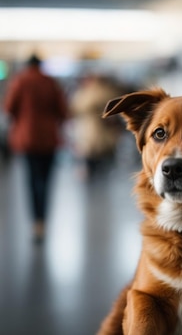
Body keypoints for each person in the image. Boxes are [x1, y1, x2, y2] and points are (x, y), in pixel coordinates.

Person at [3, 54, 68, 242]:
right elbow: (63, 111)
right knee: (46, 182)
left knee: (32, 182)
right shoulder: (50, 82)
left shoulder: (20, 81)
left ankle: (36, 223)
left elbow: (8, 108)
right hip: (49, 138)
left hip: (27, 139)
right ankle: (43, 222)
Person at [70, 73, 124, 179]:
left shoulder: (86, 93)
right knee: (99, 156)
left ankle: (94, 173)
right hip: (96, 130)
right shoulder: (107, 92)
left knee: (95, 155)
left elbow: (75, 107)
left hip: (95, 130)